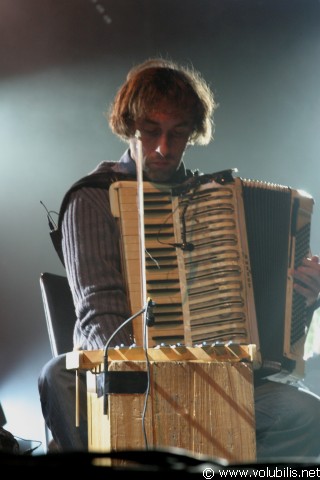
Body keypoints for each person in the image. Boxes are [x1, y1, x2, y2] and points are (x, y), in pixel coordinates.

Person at [38, 57, 320, 460]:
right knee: (56, 377)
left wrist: (303, 298)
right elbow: (99, 313)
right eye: (150, 131)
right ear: (128, 126)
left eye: (178, 133)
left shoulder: (222, 201)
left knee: (305, 412)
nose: (163, 148)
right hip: (131, 377)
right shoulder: (93, 199)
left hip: (218, 376)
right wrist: (147, 376)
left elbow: (264, 322)